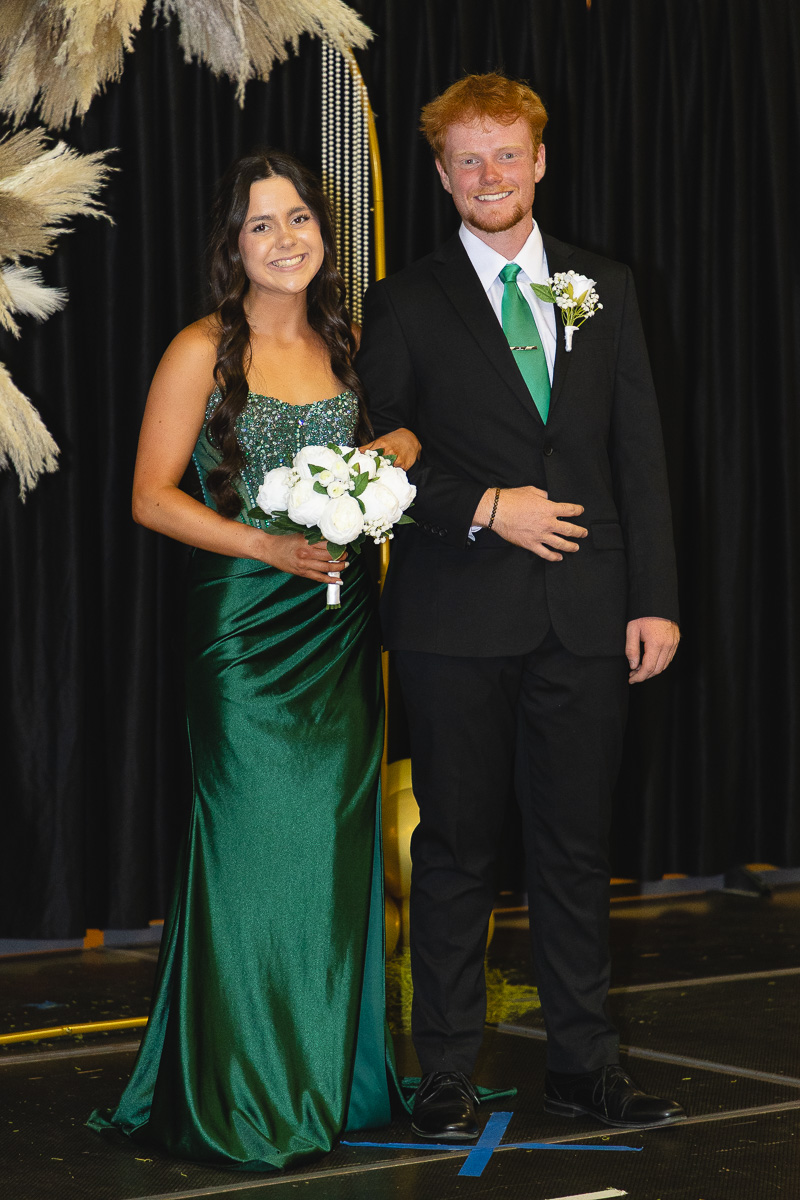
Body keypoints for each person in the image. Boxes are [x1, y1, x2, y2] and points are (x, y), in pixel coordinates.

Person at [356, 73, 684, 1141]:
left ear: (538, 160)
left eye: (506, 155)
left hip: (587, 618)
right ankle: (443, 1071)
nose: (488, 175)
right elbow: (381, 459)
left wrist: (655, 600)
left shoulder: (606, 285)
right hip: (455, 621)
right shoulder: (402, 303)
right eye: (467, 159)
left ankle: (586, 1068)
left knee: (574, 854)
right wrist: (485, 505)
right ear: (441, 172)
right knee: (452, 852)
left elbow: (636, 455)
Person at [89, 148, 419, 1170]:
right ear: (232, 246)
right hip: (241, 631)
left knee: (330, 851)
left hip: (335, 627)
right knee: (249, 854)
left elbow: (405, 438)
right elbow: (150, 497)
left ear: (324, 235)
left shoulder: (350, 342)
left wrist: (387, 460)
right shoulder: (202, 350)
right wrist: (264, 542)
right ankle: (240, 1091)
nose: (285, 240)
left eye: (298, 221)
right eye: (260, 225)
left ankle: (329, 1082)